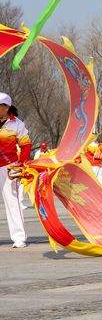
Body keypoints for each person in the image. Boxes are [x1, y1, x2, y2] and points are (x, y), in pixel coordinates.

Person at [0, 93, 31, 248]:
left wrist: (21, 163)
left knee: (13, 202)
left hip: (8, 167)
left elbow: (26, 145)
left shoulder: (17, 124)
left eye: (2, 106)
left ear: (8, 107)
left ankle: (19, 237)